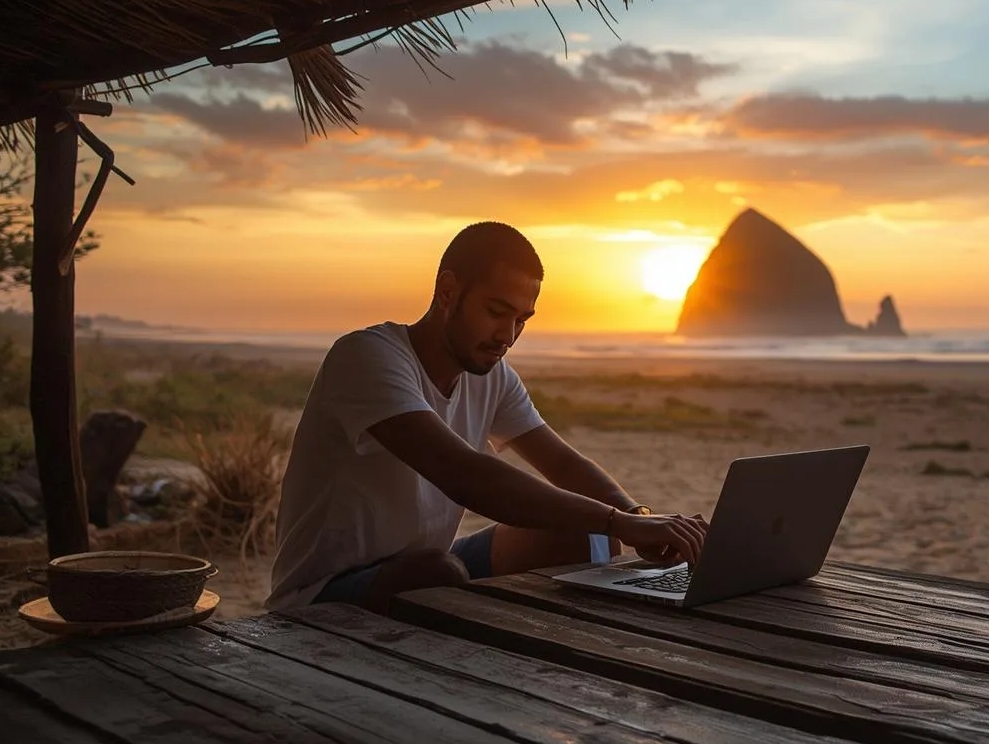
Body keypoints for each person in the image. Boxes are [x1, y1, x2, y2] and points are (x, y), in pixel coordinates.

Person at [266, 221, 709, 614]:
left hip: (434, 565)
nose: (508, 336)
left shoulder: (491, 376)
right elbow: (467, 476)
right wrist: (616, 520)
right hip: (323, 594)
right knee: (436, 574)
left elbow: (563, 464)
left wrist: (639, 517)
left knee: (581, 536)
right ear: (448, 291)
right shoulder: (367, 356)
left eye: (522, 319)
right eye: (496, 312)